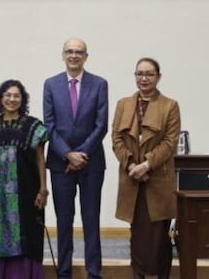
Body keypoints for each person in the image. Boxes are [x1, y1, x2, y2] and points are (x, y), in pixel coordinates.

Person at [43, 38, 109, 279]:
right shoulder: (51, 84)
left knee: (91, 220)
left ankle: (94, 273)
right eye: (69, 51)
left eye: (78, 52)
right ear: (63, 55)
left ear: (86, 56)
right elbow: (49, 125)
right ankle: (64, 273)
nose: (74, 55)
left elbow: (101, 125)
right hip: (61, 164)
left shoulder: (99, 84)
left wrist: (81, 154)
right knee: (64, 220)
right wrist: (67, 154)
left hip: (91, 163)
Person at [111, 57, 181, 279]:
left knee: (158, 236)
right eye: (139, 74)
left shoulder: (170, 105)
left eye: (149, 74)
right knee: (138, 235)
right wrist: (132, 165)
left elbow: (170, 143)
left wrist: (146, 164)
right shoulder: (124, 104)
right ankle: (138, 275)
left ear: (158, 77)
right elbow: (116, 139)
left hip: (157, 179)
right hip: (131, 178)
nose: (144, 78)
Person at [0, 80, 49, 279]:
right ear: (0, 98)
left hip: (27, 193)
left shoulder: (33, 126)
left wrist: (43, 189)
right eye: (7, 95)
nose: (12, 99)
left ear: (23, 100)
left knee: (28, 236)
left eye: (16, 96)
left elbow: (40, 158)